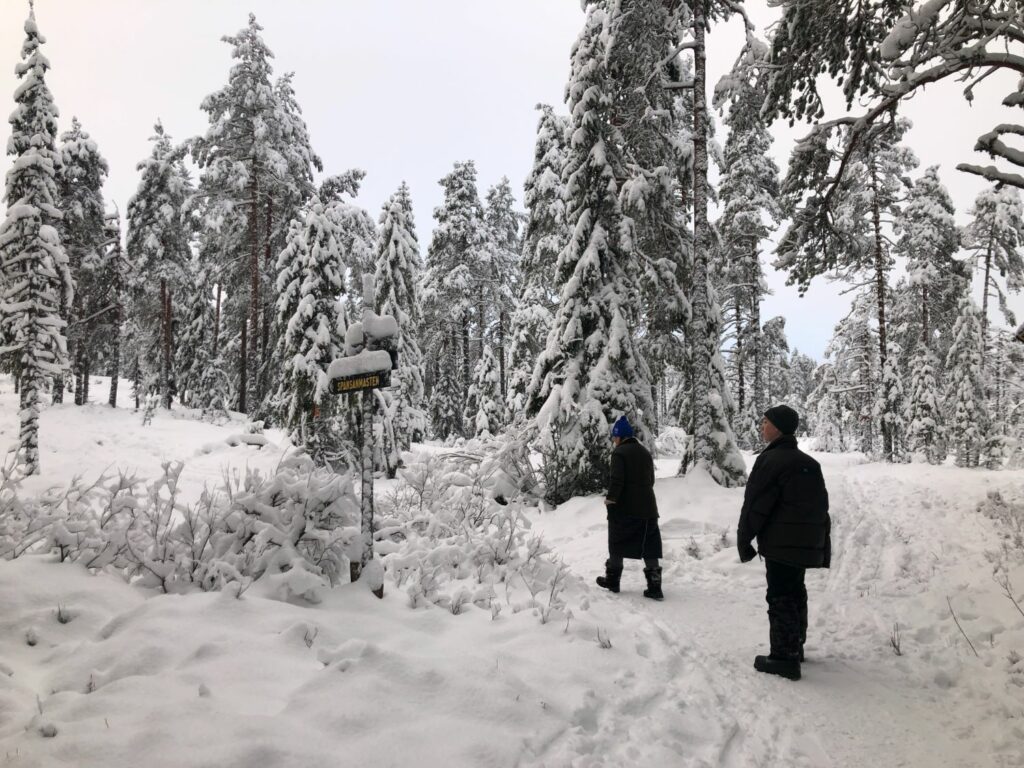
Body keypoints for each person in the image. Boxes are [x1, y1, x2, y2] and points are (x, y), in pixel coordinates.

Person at [737, 405, 830, 681]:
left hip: (780, 543)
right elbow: (821, 507)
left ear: (777, 427)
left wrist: (744, 539)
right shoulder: (809, 463)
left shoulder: (770, 461)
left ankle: (783, 657)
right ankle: (795, 645)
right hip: (802, 543)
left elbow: (755, 506)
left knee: (780, 596)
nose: (761, 426)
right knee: (795, 591)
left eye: (765, 422)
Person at [596, 415, 664, 600]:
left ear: (620, 436)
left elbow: (617, 480)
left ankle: (613, 581)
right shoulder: (644, 452)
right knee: (649, 545)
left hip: (626, 508)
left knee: (617, 542)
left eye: (614, 436)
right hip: (649, 508)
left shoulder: (619, 453)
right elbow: (651, 480)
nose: (613, 440)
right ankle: (655, 587)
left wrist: (611, 499)